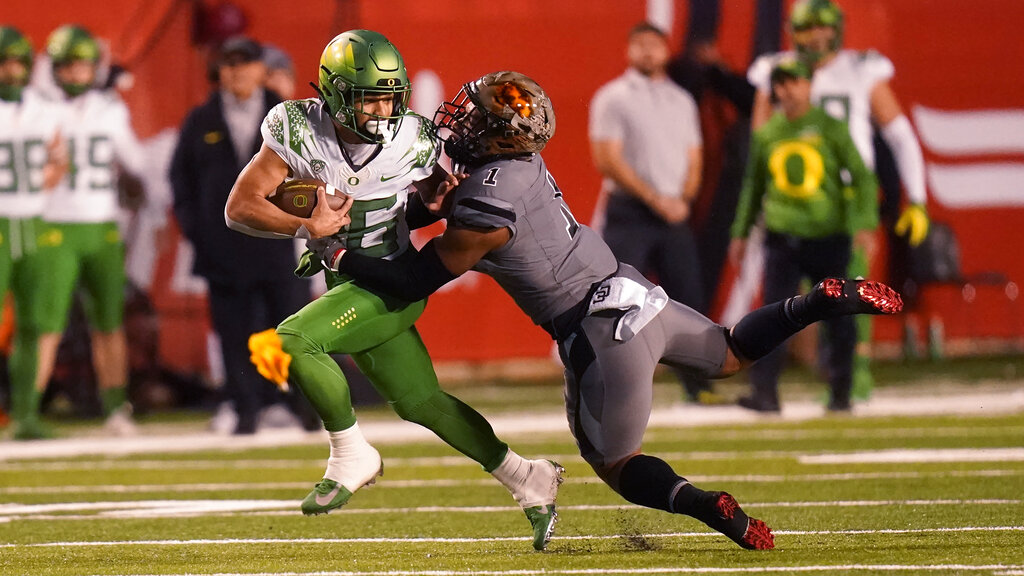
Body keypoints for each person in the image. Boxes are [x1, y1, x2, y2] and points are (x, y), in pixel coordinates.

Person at [314, 70, 903, 550]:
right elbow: (458, 204)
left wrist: (337, 254)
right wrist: (427, 204)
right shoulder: (519, 170)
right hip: (635, 295)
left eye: (474, 117)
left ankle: (706, 505)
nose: (460, 121)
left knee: (616, 464)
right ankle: (816, 301)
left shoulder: (481, 205)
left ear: (496, 136)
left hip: (600, 332)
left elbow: (413, 278)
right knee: (728, 354)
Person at [223, 30, 562, 551]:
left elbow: (434, 202)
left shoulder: (414, 137)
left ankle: (350, 452)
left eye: (391, 95)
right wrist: (304, 227)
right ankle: (527, 477)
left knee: (290, 341)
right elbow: (240, 206)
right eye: (370, 97)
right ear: (334, 95)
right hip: (346, 281)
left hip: (390, 282)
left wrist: (439, 200)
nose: (384, 108)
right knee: (421, 401)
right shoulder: (296, 127)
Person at [747, 0, 929, 399]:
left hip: (847, 196)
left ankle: (851, 377)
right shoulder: (778, 71)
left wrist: (916, 197)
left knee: (852, 291)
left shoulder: (861, 69)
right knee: (788, 298)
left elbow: (899, 134)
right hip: (794, 198)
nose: (815, 36)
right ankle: (785, 384)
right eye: (807, 28)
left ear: (836, 30)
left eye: (822, 28)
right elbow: (760, 142)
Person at [170, 35, 318, 435]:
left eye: (245, 63)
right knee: (234, 333)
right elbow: (180, 180)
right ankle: (245, 409)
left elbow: (315, 169)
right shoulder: (201, 119)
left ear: (260, 69)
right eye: (229, 63)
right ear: (220, 70)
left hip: (276, 240)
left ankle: (306, 407)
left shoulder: (288, 114)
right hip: (222, 246)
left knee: (294, 326)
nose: (236, 71)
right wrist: (197, 230)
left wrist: (302, 219)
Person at [729, 58, 878, 412]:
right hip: (783, 238)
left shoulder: (831, 127)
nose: (786, 91)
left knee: (839, 316)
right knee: (772, 318)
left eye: (793, 82)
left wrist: (864, 222)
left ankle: (841, 391)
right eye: (779, 84)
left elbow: (862, 176)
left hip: (828, 236)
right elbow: (753, 187)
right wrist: (740, 231)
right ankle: (765, 393)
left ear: (810, 85)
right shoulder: (768, 133)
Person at [589, 22, 721, 405]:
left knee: (689, 302)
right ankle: (602, 386)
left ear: (666, 51)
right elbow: (607, 158)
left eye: (655, 45)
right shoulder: (613, 97)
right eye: (640, 45)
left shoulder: (681, 98)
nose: (648, 52)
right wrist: (653, 197)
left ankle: (698, 386)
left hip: (674, 212)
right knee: (615, 301)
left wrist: (684, 199)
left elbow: (694, 158)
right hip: (632, 212)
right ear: (630, 50)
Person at [33, 24, 143, 436]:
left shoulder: (110, 109)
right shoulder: (37, 109)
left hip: (101, 225)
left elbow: (135, 168)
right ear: (56, 68)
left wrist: (133, 186)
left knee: (109, 322)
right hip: (55, 224)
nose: (78, 75)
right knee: (44, 324)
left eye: (84, 67)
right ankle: (29, 408)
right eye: (70, 67)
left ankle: (117, 406)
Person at [0, 26, 66, 440]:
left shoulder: (44, 110)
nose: (12, 70)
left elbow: (60, 159)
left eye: (18, 62)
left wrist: (38, 185)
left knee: (34, 323)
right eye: (5, 62)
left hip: (35, 220)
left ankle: (25, 413)